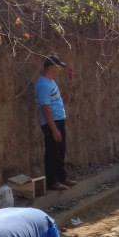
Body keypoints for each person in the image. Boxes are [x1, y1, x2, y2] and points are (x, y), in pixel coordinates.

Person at [36, 54, 70, 191]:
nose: (59, 70)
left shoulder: (51, 82)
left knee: (60, 150)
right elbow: (45, 107)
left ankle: (62, 178)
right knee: (52, 152)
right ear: (51, 67)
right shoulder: (43, 84)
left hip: (59, 120)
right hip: (52, 123)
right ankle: (52, 181)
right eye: (58, 67)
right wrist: (54, 128)